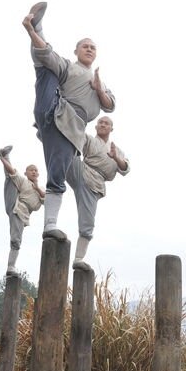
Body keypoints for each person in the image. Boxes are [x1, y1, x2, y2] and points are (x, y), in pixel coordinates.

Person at [22, 2, 116, 242]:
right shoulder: (69, 67)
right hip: (54, 110)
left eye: (93, 47)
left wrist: (98, 88)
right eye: (85, 46)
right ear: (76, 51)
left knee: (57, 173)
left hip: (71, 129)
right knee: (46, 66)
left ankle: (49, 225)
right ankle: (35, 28)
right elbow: (48, 55)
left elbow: (110, 106)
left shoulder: (101, 83)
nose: (89, 49)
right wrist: (32, 33)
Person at [65, 116, 130, 271]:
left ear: (111, 128)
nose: (102, 124)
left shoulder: (117, 150)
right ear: (96, 126)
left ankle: (78, 258)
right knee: (66, 147)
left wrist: (115, 157)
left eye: (106, 123)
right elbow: (77, 138)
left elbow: (125, 169)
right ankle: (46, 132)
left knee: (88, 223)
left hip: (94, 184)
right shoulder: (89, 139)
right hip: (81, 169)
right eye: (100, 122)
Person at [0, 145, 45, 276]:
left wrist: (37, 187)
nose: (34, 172)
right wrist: (2, 160)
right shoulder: (23, 180)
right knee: (10, 177)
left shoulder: (41, 188)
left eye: (36, 170)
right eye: (31, 170)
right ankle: (11, 267)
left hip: (23, 213)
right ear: (26, 173)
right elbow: (12, 171)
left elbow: (45, 200)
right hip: (15, 205)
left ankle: (11, 266)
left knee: (16, 239)